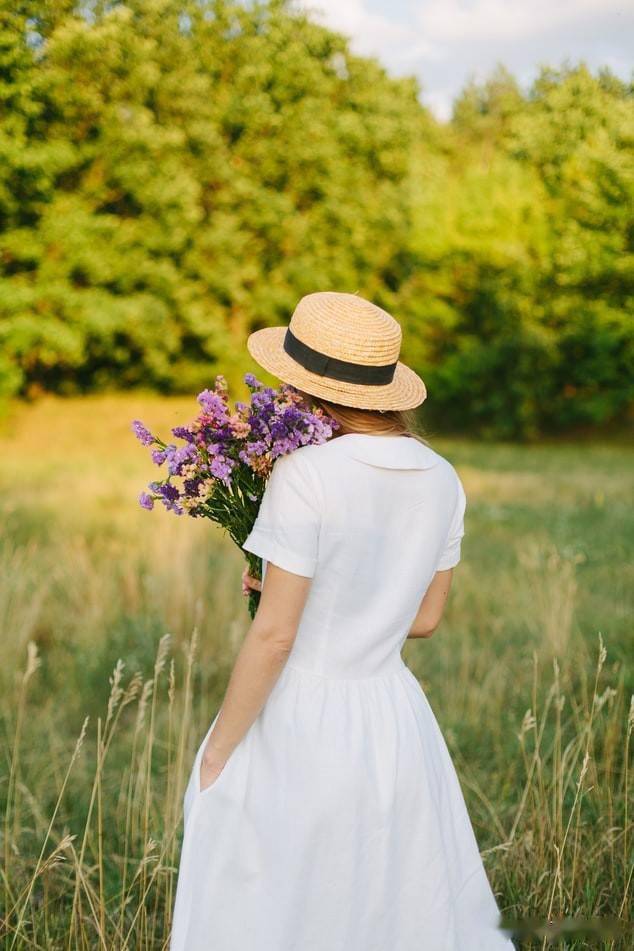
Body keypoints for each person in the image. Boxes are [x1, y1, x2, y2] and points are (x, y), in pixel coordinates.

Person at [170, 291, 515, 950]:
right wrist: (302, 592)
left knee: (285, 892)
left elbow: (276, 636)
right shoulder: (443, 478)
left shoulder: (305, 473)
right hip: (394, 715)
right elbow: (426, 617)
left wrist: (217, 751)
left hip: (303, 712)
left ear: (306, 388)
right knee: (386, 893)